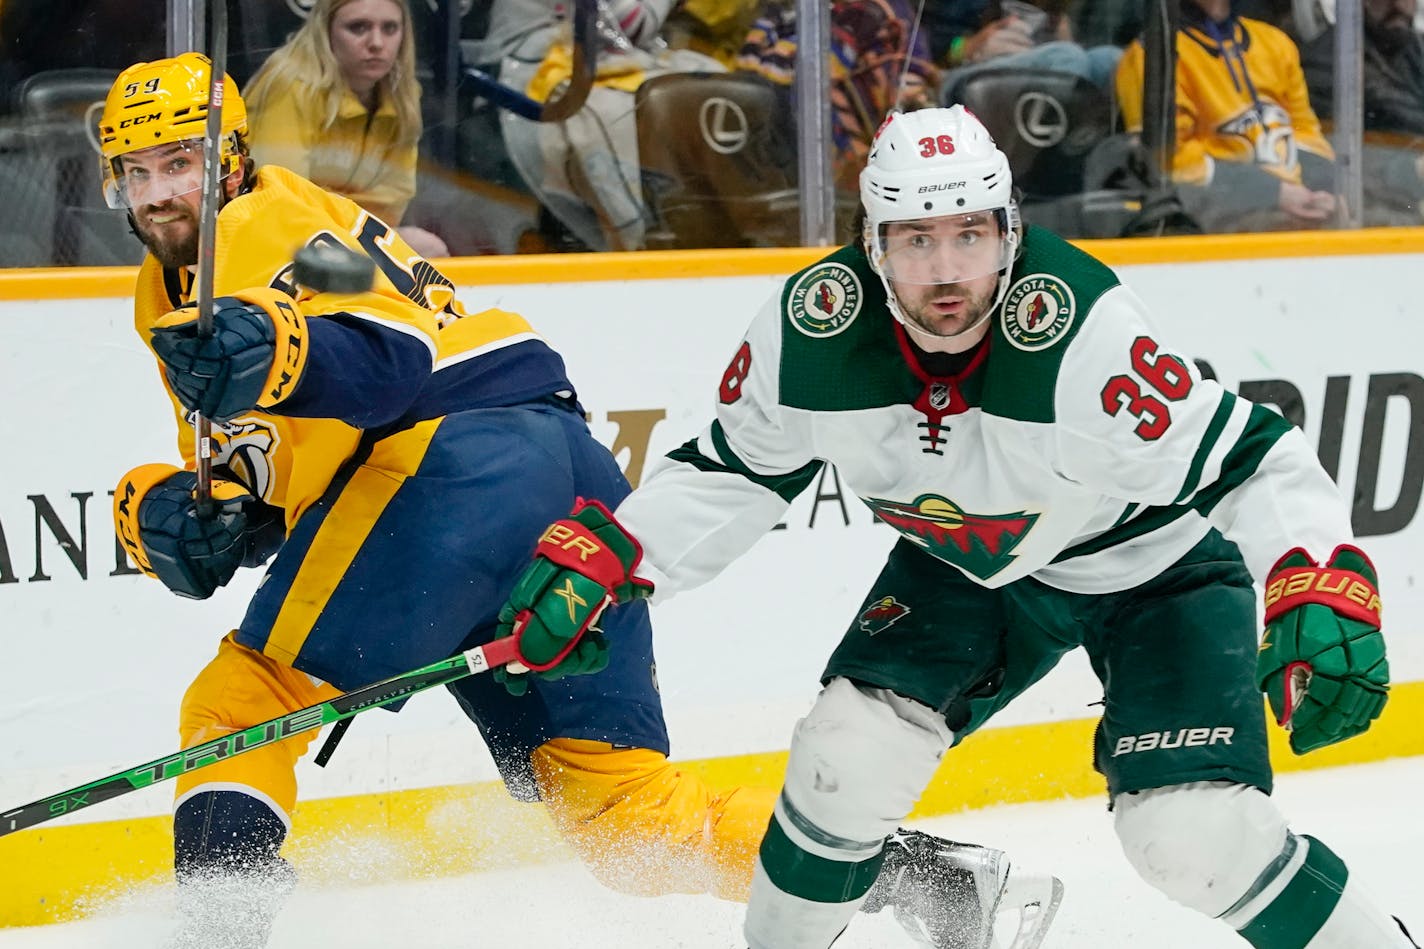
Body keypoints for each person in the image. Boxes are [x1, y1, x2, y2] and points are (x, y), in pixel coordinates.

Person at [98, 53, 1053, 949]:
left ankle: (216, 932)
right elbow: (282, 455)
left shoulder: (272, 229)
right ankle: (924, 879)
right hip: (557, 471)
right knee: (622, 813)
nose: (160, 193)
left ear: (227, 156)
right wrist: (181, 516)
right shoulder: (208, 268)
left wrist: (280, 347)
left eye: (179, 162)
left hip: (452, 469)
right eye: (137, 173)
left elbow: (384, 357)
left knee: (246, 699)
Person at [495, 104, 1421, 949]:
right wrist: (619, 555)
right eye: (915, 239)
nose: (946, 272)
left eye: (971, 236)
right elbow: (734, 469)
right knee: (840, 761)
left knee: (1191, 837)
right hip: (970, 564)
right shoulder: (813, 333)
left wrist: (1316, 572)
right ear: (871, 245)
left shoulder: (1079, 334)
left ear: (1009, 231)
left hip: (1153, 568)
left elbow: (1255, 457)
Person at [242, 0, 449, 258]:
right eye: (358, 27)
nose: (376, 42)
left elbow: (391, 206)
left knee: (428, 249)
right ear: (325, 31)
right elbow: (280, 204)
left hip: (348, 237)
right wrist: (351, 216)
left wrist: (339, 215)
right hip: (278, 245)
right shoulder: (291, 84)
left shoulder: (402, 95)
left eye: (390, 28)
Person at [1115, 0, 1338, 233]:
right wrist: (1270, 192)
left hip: (1293, 205)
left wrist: (1326, 189)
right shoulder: (1151, 58)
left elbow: (1305, 131)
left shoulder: (1276, 44)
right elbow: (1169, 162)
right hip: (1209, 219)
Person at [1300, 0, 1424, 224]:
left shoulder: (1413, 49)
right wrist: (1409, 169)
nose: (1397, 5)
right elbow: (1330, 164)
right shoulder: (1331, 63)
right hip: (1371, 204)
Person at [928, 0, 1123, 100]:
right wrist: (966, 47)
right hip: (957, 80)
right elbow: (927, 44)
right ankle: (1042, 164)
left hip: (1031, 62)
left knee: (1111, 59)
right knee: (1067, 57)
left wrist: (1060, 29)